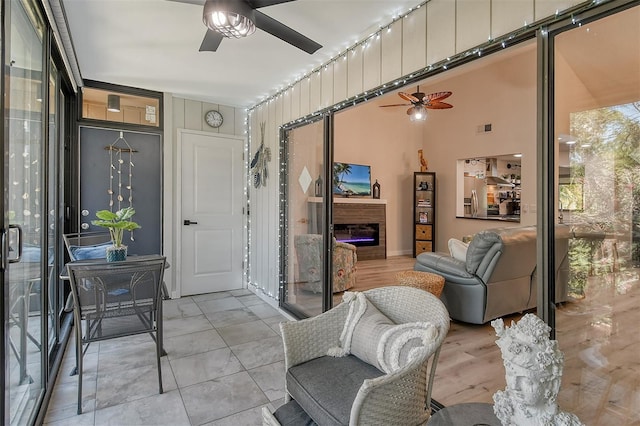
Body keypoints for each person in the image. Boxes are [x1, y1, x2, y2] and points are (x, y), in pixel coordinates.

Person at [491, 314, 583, 426]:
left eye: (527, 381)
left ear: (551, 384)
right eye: (510, 374)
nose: (515, 386)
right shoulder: (506, 405)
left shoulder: (560, 422)